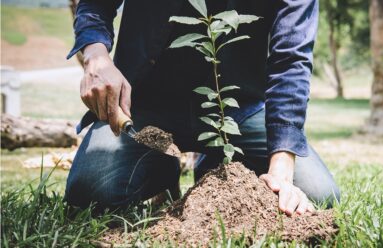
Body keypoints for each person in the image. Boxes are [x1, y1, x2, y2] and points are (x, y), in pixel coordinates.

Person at [65, 0, 340, 215]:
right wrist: (96, 57)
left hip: (239, 109)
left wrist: (281, 171)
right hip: (144, 104)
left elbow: (291, 58)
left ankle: (217, 164)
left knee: (318, 194)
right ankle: (162, 163)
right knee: (88, 191)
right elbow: (96, 4)